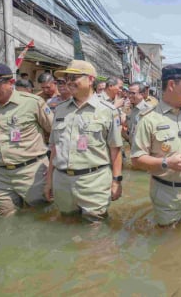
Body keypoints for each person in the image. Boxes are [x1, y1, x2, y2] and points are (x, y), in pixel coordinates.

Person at [131, 63, 181, 227]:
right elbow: (136, 158)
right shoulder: (148, 119)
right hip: (167, 193)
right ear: (171, 85)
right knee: (167, 237)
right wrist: (166, 163)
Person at [0, 62, 54, 216]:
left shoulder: (33, 103)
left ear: (11, 82)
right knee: (2, 217)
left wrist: (53, 166)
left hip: (31, 171)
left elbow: (55, 134)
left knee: (42, 214)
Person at [44, 60, 123, 222]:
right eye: (67, 78)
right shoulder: (60, 109)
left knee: (95, 230)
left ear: (91, 79)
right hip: (62, 181)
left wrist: (116, 181)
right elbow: (55, 148)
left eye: (75, 77)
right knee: (66, 223)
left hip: (93, 182)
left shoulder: (108, 111)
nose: (69, 82)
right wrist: (49, 180)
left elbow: (115, 150)